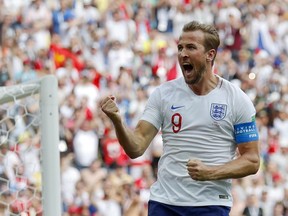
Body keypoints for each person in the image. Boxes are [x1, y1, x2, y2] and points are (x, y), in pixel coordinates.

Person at [100, 20, 260, 216]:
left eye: (191, 47)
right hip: (164, 203)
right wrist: (117, 120)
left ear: (210, 54)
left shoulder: (237, 100)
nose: (183, 53)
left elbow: (252, 161)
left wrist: (210, 172)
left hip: (209, 204)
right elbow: (136, 148)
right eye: (180, 47)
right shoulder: (163, 94)